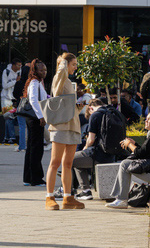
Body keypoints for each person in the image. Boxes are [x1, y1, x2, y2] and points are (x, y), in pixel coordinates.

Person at [106, 111, 150, 209]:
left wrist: (129, 144)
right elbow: (147, 152)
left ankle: (121, 199)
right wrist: (134, 144)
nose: (146, 121)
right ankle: (120, 198)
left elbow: (140, 154)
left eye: (149, 119)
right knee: (126, 164)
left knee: (124, 164)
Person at [46, 53, 85, 211]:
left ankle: (68, 197)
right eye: (73, 64)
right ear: (65, 64)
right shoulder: (59, 77)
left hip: (72, 126)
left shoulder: (68, 81)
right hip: (61, 126)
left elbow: (67, 104)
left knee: (68, 164)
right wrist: (62, 61)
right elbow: (57, 92)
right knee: (55, 163)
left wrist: (80, 106)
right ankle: (49, 197)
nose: (75, 67)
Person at [70, 99, 122, 200]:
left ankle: (71, 190)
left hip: (97, 154)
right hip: (111, 155)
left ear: (90, 108)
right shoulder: (113, 112)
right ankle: (85, 191)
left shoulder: (95, 115)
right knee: (78, 161)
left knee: (69, 160)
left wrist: (84, 149)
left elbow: (91, 139)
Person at [23, 59, 50, 186]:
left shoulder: (38, 82)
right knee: (36, 148)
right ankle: (36, 178)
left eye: (45, 69)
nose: (44, 72)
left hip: (34, 118)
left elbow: (43, 98)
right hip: (35, 119)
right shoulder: (34, 82)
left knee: (31, 147)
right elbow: (33, 100)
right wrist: (41, 117)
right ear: (35, 71)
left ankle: (28, 178)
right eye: (41, 70)